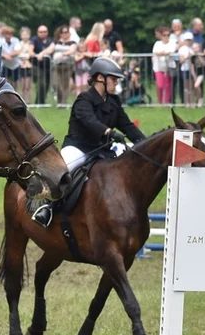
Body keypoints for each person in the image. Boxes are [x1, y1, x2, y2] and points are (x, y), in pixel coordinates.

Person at [31, 58, 145, 227]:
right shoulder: (84, 99)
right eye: (114, 79)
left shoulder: (114, 101)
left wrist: (144, 142)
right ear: (100, 78)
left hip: (103, 149)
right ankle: (47, 207)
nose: (117, 84)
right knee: (62, 171)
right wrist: (109, 132)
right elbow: (89, 121)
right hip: (79, 148)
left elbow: (127, 125)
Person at [30, 25, 55, 105]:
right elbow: (30, 50)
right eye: (41, 32)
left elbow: (51, 48)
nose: (43, 33)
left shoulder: (50, 40)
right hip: (36, 66)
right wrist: (34, 54)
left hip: (47, 66)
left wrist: (41, 54)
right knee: (41, 83)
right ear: (38, 32)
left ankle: (41, 101)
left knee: (47, 84)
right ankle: (39, 102)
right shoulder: (35, 40)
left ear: (47, 32)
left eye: (44, 32)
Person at [151, 25, 173, 105]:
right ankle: (160, 101)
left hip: (168, 67)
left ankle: (165, 102)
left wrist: (162, 53)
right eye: (164, 35)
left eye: (168, 35)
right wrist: (164, 53)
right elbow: (156, 52)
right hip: (158, 67)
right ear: (161, 36)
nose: (166, 37)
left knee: (167, 86)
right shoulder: (157, 43)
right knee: (160, 85)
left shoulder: (172, 43)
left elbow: (171, 51)